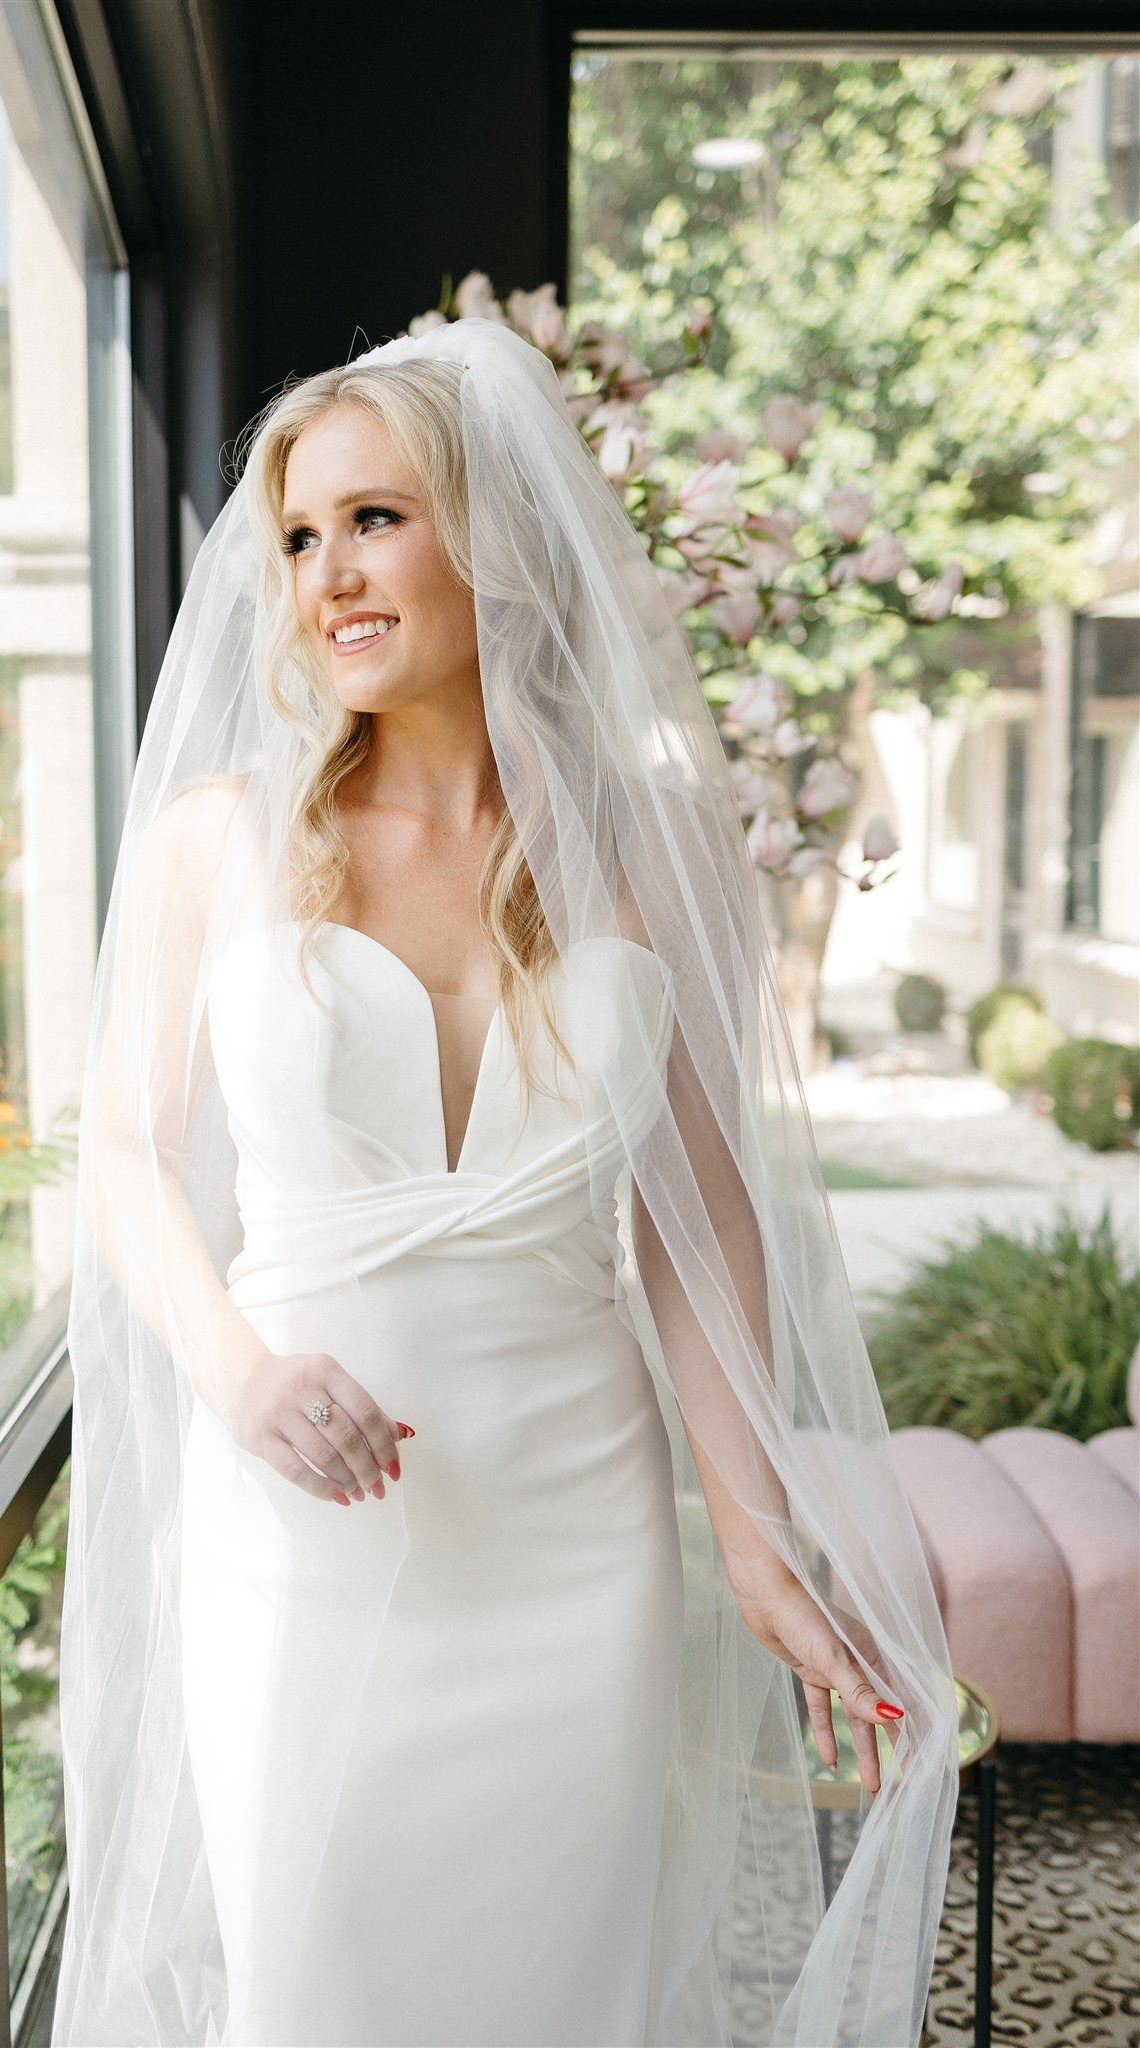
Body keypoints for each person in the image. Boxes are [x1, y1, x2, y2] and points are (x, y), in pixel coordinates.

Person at [50, 317, 960, 2048]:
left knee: (564, 1986)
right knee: (317, 1983)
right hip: (306, 1518)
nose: (330, 574)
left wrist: (757, 1537)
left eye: (377, 519)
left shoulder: (657, 840)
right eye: (300, 538)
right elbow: (118, 1154)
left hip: (575, 1517)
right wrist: (237, 1376)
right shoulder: (216, 841)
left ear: (497, 537)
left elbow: (697, 1225)